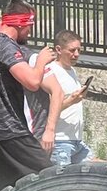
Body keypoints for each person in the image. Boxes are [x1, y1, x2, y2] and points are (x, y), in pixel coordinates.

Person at [0, 0, 62, 191]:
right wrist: (40, 61)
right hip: (8, 130)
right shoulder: (5, 45)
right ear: (20, 23)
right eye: (29, 26)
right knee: (50, 181)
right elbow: (32, 81)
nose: (30, 32)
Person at [35, 30, 93, 166]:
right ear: (59, 50)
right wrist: (71, 101)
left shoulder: (71, 70)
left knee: (94, 175)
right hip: (60, 140)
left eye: (79, 50)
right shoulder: (51, 72)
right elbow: (48, 109)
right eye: (72, 50)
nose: (77, 54)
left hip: (76, 140)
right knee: (63, 184)